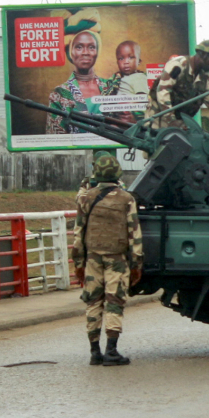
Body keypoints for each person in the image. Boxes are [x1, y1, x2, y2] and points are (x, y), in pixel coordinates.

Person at [72, 154, 143, 366]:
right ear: (117, 174)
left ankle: (95, 352)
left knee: (93, 302)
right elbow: (134, 234)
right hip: (117, 259)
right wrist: (137, 264)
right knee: (114, 302)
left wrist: (78, 264)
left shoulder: (86, 198)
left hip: (93, 258)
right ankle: (111, 350)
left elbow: (78, 234)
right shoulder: (127, 199)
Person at [145, 39, 209, 132]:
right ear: (202, 54)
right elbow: (163, 91)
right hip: (157, 120)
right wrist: (171, 120)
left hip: (179, 123)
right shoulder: (179, 64)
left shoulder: (204, 78)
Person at [47, 30, 120, 134]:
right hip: (76, 150)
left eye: (91, 47)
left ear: (97, 52)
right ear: (71, 53)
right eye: (79, 47)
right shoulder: (59, 93)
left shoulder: (110, 86)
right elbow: (55, 140)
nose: (85, 52)